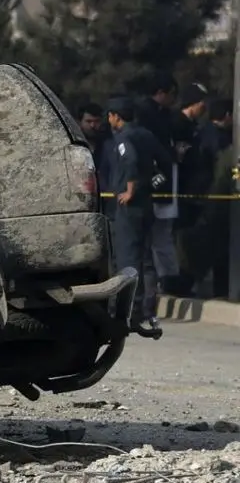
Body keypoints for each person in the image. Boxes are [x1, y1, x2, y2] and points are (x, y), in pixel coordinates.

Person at [105, 96, 161, 338]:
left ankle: (126, 312)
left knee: (127, 260)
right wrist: (152, 185)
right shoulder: (147, 134)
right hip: (146, 205)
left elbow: (130, 160)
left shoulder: (123, 138)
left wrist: (130, 189)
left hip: (129, 208)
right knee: (144, 259)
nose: (109, 120)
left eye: (110, 116)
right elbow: (166, 162)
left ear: (117, 116)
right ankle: (145, 309)